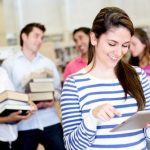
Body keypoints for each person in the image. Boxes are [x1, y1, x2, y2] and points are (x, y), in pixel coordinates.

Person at [60, 7, 150, 150]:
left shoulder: (138, 76)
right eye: (112, 44)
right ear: (94, 38)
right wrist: (91, 119)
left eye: (125, 45)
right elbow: (71, 146)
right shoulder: (74, 84)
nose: (119, 52)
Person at [2, 23, 65, 150]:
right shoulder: (9, 64)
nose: (40, 41)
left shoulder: (48, 63)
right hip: (24, 125)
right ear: (24, 37)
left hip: (50, 121)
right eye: (36, 36)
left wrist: (52, 99)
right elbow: (5, 95)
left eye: (42, 37)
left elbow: (59, 90)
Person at [0, 67, 34, 150]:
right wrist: (7, 119)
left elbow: (11, 98)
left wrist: (28, 104)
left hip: (13, 135)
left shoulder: (3, 71)